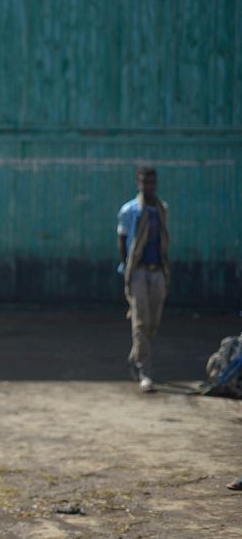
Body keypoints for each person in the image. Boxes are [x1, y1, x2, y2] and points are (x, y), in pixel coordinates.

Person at [117, 166, 169, 393]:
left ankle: (135, 355)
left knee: (153, 322)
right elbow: (122, 240)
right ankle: (145, 372)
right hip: (138, 272)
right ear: (138, 183)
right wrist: (128, 268)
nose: (148, 187)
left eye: (151, 183)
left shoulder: (161, 209)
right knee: (139, 321)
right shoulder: (130, 210)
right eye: (144, 182)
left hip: (158, 271)